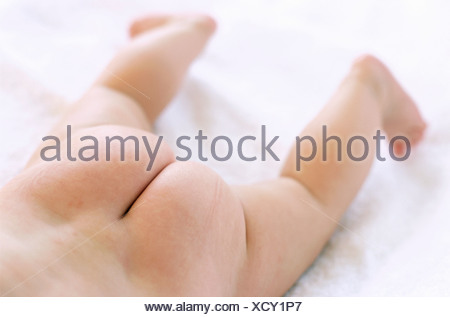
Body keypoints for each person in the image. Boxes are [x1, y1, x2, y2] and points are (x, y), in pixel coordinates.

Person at [0, 13, 426, 296]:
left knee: (307, 197)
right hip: (67, 186)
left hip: (173, 275)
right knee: (118, 96)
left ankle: (370, 89)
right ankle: (185, 31)